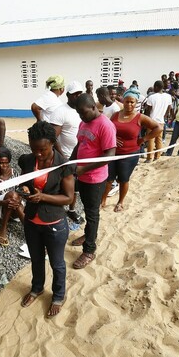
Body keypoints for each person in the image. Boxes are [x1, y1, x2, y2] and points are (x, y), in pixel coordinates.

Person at [18, 121, 75, 318]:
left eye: (42, 149)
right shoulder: (27, 160)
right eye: (34, 149)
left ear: (52, 143)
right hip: (32, 221)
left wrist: (43, 197)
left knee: (57, 263)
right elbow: (23, 184)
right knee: (36, 259)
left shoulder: (63, 165)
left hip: (54, 224)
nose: (38, 154)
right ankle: (37, 288)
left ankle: (58, 295)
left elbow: (69, 198)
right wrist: (23, 190)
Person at [69, 93, 116, 270]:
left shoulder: (106, 125)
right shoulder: (84, 122)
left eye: (84, 113)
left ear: (94, 107)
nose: (81, 117)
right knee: (86, 209)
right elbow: (79, 145)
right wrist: (71, 162)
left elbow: (109, 156)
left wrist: (82, 169)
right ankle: (88, 234)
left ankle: (89, 250)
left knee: (92, 213)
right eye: (79, 114)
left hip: (95, 179)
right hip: (80, 174)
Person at [101, 89, 161, 212]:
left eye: (132, 102)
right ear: (123, 101)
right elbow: (109, 128)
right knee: (108, 179)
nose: (129, 105)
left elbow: (158, 128)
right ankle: (103, 201)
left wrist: (144, 139)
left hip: (129, 154)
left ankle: (120, 202)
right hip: (113, 152)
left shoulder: (140, 117)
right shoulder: (116, 114)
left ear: (136, 103)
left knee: (123, 179)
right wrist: (112, 138)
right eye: (127, 102)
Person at [47, 80, 85, 224]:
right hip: (67, 156)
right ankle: (60, 212)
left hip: (81, 156)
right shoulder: (60, 111)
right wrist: (62, 156)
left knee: (76, 187)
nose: (78, 96)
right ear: (68, 95)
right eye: (75, 94)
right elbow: (53, 137)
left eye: (80, 93)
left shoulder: (83, 108)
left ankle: (72, 210)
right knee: (65, 185)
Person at [0, 147, 24, 246]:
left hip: (13, 203)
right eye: (1, 163)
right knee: (12, 195)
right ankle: (3, 228)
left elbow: (19, 192)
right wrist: (4, 202)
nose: (4, 166)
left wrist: (18, 200)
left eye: (6, 163)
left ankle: (31, 233)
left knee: (15, 199)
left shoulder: (14, 173)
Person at [144, 80, 172, 162]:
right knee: (159, 140)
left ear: (156, 87)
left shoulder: (152, 97)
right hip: (161, 121)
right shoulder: (168, 96)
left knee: (150, 139)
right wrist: (165, 115)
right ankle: (157, 156)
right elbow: (169, 107)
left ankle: (149, 158)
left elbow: (148, 111)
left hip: (152, 121)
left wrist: (146, 122)